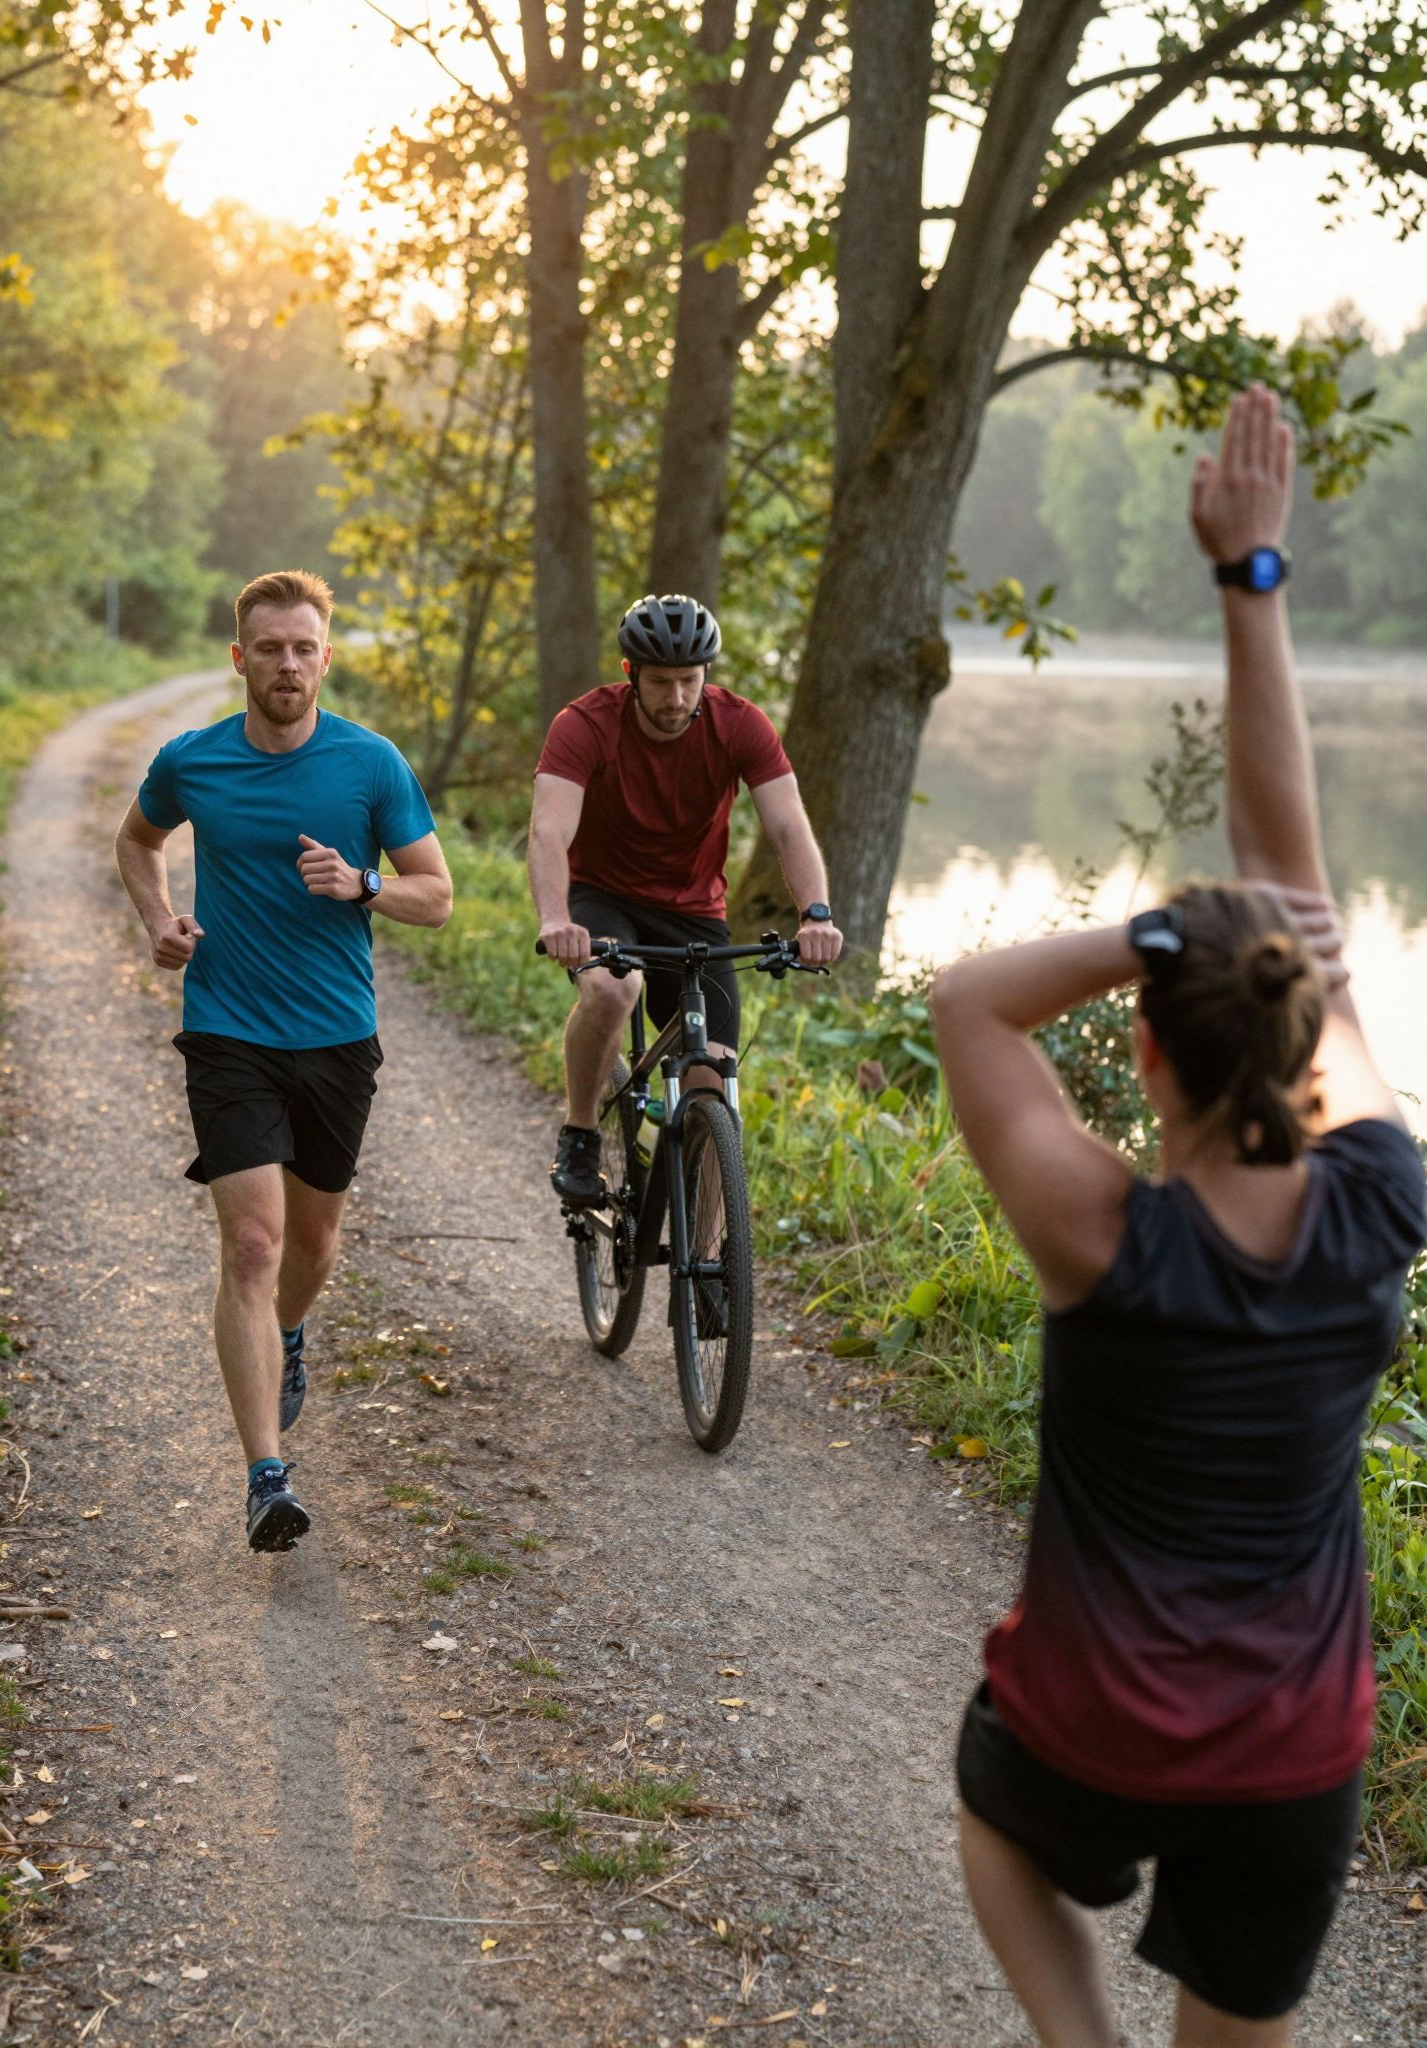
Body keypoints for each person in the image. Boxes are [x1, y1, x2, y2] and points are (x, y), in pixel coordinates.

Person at [929, 388, 1426, 2046]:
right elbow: (1295, 875)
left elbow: (967, 1001)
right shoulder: (1379, 1202)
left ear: (1144, 1050)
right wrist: (1252, 576)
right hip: (1294, 1753)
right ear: (1297, 1036)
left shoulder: (1103, 1234)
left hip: (1087, 1729)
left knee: (997, 1816)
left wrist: (1148, 930)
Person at [115, 571, 452, 1553]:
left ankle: (288, 1333)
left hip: (337, 1035)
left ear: (326, 658)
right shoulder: (193, 761)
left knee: (312, 1245)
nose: (288, 664)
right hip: (228, 1030)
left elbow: (437, 896)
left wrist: (363, 884)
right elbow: (137, 841)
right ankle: (267, 1476)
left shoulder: (370, 764)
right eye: (269, 648)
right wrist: (159, 921)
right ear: (240, 659)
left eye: (304, 648)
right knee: (255, 1246)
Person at [529, 593, 843, 1205]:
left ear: (707, 675)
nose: (676, 698)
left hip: (695, 912)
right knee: (613, 990)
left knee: (713, 1084)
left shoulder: (741, 725)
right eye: (660, 682)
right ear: (631, 674)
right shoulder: (584, 724)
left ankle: (713, 1261)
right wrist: (556, 918)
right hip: (602, 897)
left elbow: (788, 826)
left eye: (689, 681)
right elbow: (548, 831)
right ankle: (581, 1132)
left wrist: (815, 915)